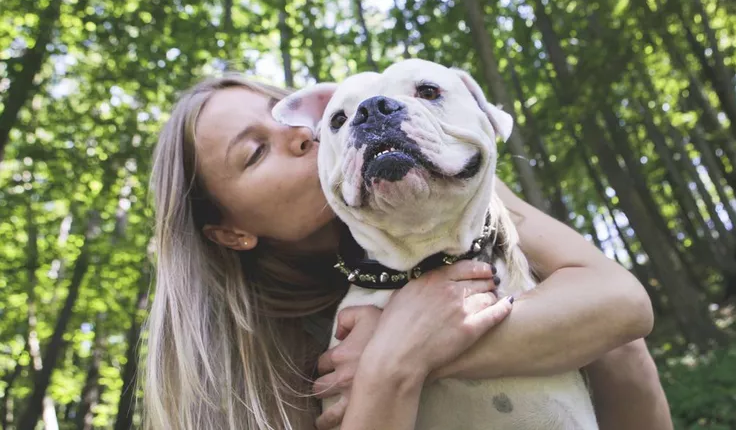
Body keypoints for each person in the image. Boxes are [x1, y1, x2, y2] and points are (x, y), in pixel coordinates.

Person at [143, 74, 673, 430]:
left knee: (614, 341)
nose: (299, 139)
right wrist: (389, 368)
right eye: (256, 152)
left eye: (287, 120)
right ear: (232, 233)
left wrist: (420, 345)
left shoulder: (451, 187)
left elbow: (621, 305)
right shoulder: (253, 362)